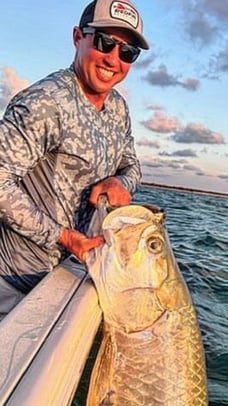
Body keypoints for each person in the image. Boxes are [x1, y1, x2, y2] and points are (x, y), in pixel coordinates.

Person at [0, 0, 149, 320]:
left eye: (128, 52)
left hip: (70, 276)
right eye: (104, 42)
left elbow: (132, 165)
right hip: (14, 281)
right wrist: (65, 237)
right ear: (78, 37)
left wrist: (119, 181)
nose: (114, 58)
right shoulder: (44, 102)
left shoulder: (119, 109)